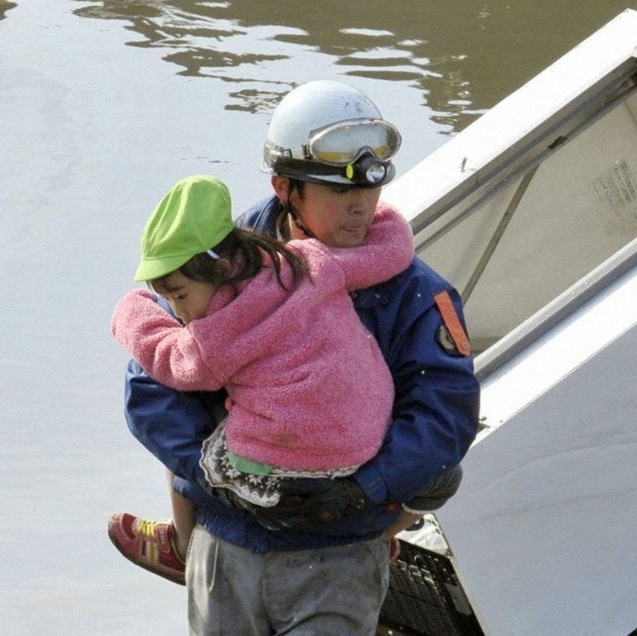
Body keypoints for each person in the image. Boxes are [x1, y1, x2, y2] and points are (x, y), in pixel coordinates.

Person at [108, 80, 480, 634]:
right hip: (227, 541)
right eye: (338, 194)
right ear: (285, 187)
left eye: (372, 190)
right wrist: (220, 483)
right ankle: (183, 544)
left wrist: (359, 491)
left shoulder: (418, 296)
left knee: (441, 475)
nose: (362, 207)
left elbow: (445, 416)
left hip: (340, 552)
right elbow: (152, 382)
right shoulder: (218, 263)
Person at [110, 172, 422, 556]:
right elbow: (386, 254)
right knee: (440, 478)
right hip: (365, 446)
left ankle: (182, 542)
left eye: (179, 295)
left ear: (222, 270)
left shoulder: (215, 338)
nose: (180, 312)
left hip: (278, 476)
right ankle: (379, 539)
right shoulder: (307, 260)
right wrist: (380, 213)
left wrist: (130, 308)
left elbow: (171, 359)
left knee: (189, 438)